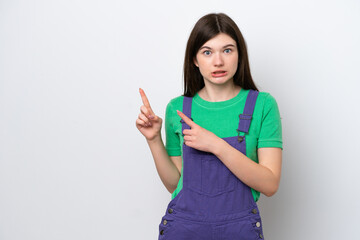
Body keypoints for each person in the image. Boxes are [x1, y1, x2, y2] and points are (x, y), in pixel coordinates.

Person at [136, 12, 282, 240]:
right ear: (195, 59)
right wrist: (153, 139)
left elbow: (270, 183)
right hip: (184, 231)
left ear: (239, 55)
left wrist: (216, 145)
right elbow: (176, 184)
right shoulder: (178, 109)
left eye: (227, 50)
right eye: (207, 52)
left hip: (239, 231)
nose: (218, 61)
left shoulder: (262, 105)